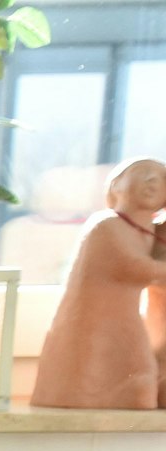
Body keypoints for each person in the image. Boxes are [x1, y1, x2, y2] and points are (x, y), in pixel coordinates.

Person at [30, 156, 166, 410]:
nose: (152, 180)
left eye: (161, 178)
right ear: (116, 185)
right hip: (96, 317)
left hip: (124, 317)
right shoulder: (106, 225)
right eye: (143, 172)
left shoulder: (145, 232)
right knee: (104, 367)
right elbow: (135, 268)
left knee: (139, 376)